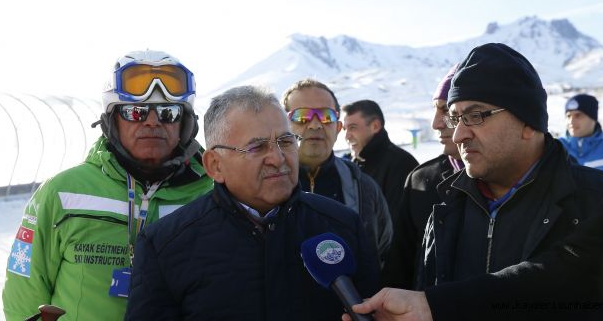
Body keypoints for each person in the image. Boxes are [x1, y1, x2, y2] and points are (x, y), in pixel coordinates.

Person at [344, 46, 603, 321]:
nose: (458, 135)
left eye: (475, 116)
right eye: (455, 118)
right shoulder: (442, 202)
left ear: (529, 122)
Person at [125, 86, 380, 320]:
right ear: (215, 164)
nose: (278, 158)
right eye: (257, 147)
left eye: (286, 141)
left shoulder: (344, 226)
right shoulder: (165, 244)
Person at [2, 50, 214, 321]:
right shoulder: (63, 193)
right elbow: (25, 293)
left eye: (168, 112)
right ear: (112, 120)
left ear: (185, 124)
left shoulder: (213, 196)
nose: (152, 121)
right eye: (135, 112)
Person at [282, 79, 393, 264]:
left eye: (326, 116)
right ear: (283, 126)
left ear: (338, 128)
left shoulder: (364, 188)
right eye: (302, 116)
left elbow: (381, 250)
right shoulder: (263, 183)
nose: (315, 125)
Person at [381, 64, 463, 289]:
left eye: (447, 110)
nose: (436, 123)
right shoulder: (421, 180)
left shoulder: (509, 181)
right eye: (435, 110)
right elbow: (400, 267)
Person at [342, 99, 419, 223]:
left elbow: (395, 225)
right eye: (345, 129)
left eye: (353, 128)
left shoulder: (400, 164)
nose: (347, 136)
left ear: (375, 126)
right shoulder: (352, 164)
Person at [559, 93, 603, 174]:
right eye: (568, 116)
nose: (571, 121)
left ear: (593, 118)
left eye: (578, 115)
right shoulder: (555, 150)